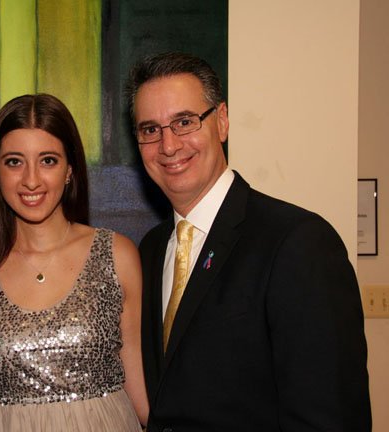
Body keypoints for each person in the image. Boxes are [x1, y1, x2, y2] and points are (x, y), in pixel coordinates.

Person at [126, 51, 371, 431]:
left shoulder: (298, 242)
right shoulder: (151, 249)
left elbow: (331, 416)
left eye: (185, 122)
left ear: (221, 121)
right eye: (150, 130)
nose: (168, 145)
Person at [0, 93, 149, 431]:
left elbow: (141, 393)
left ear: (70, 169)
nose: (31, 180)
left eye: (48, 161)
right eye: (14, 161)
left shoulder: (117, 254)